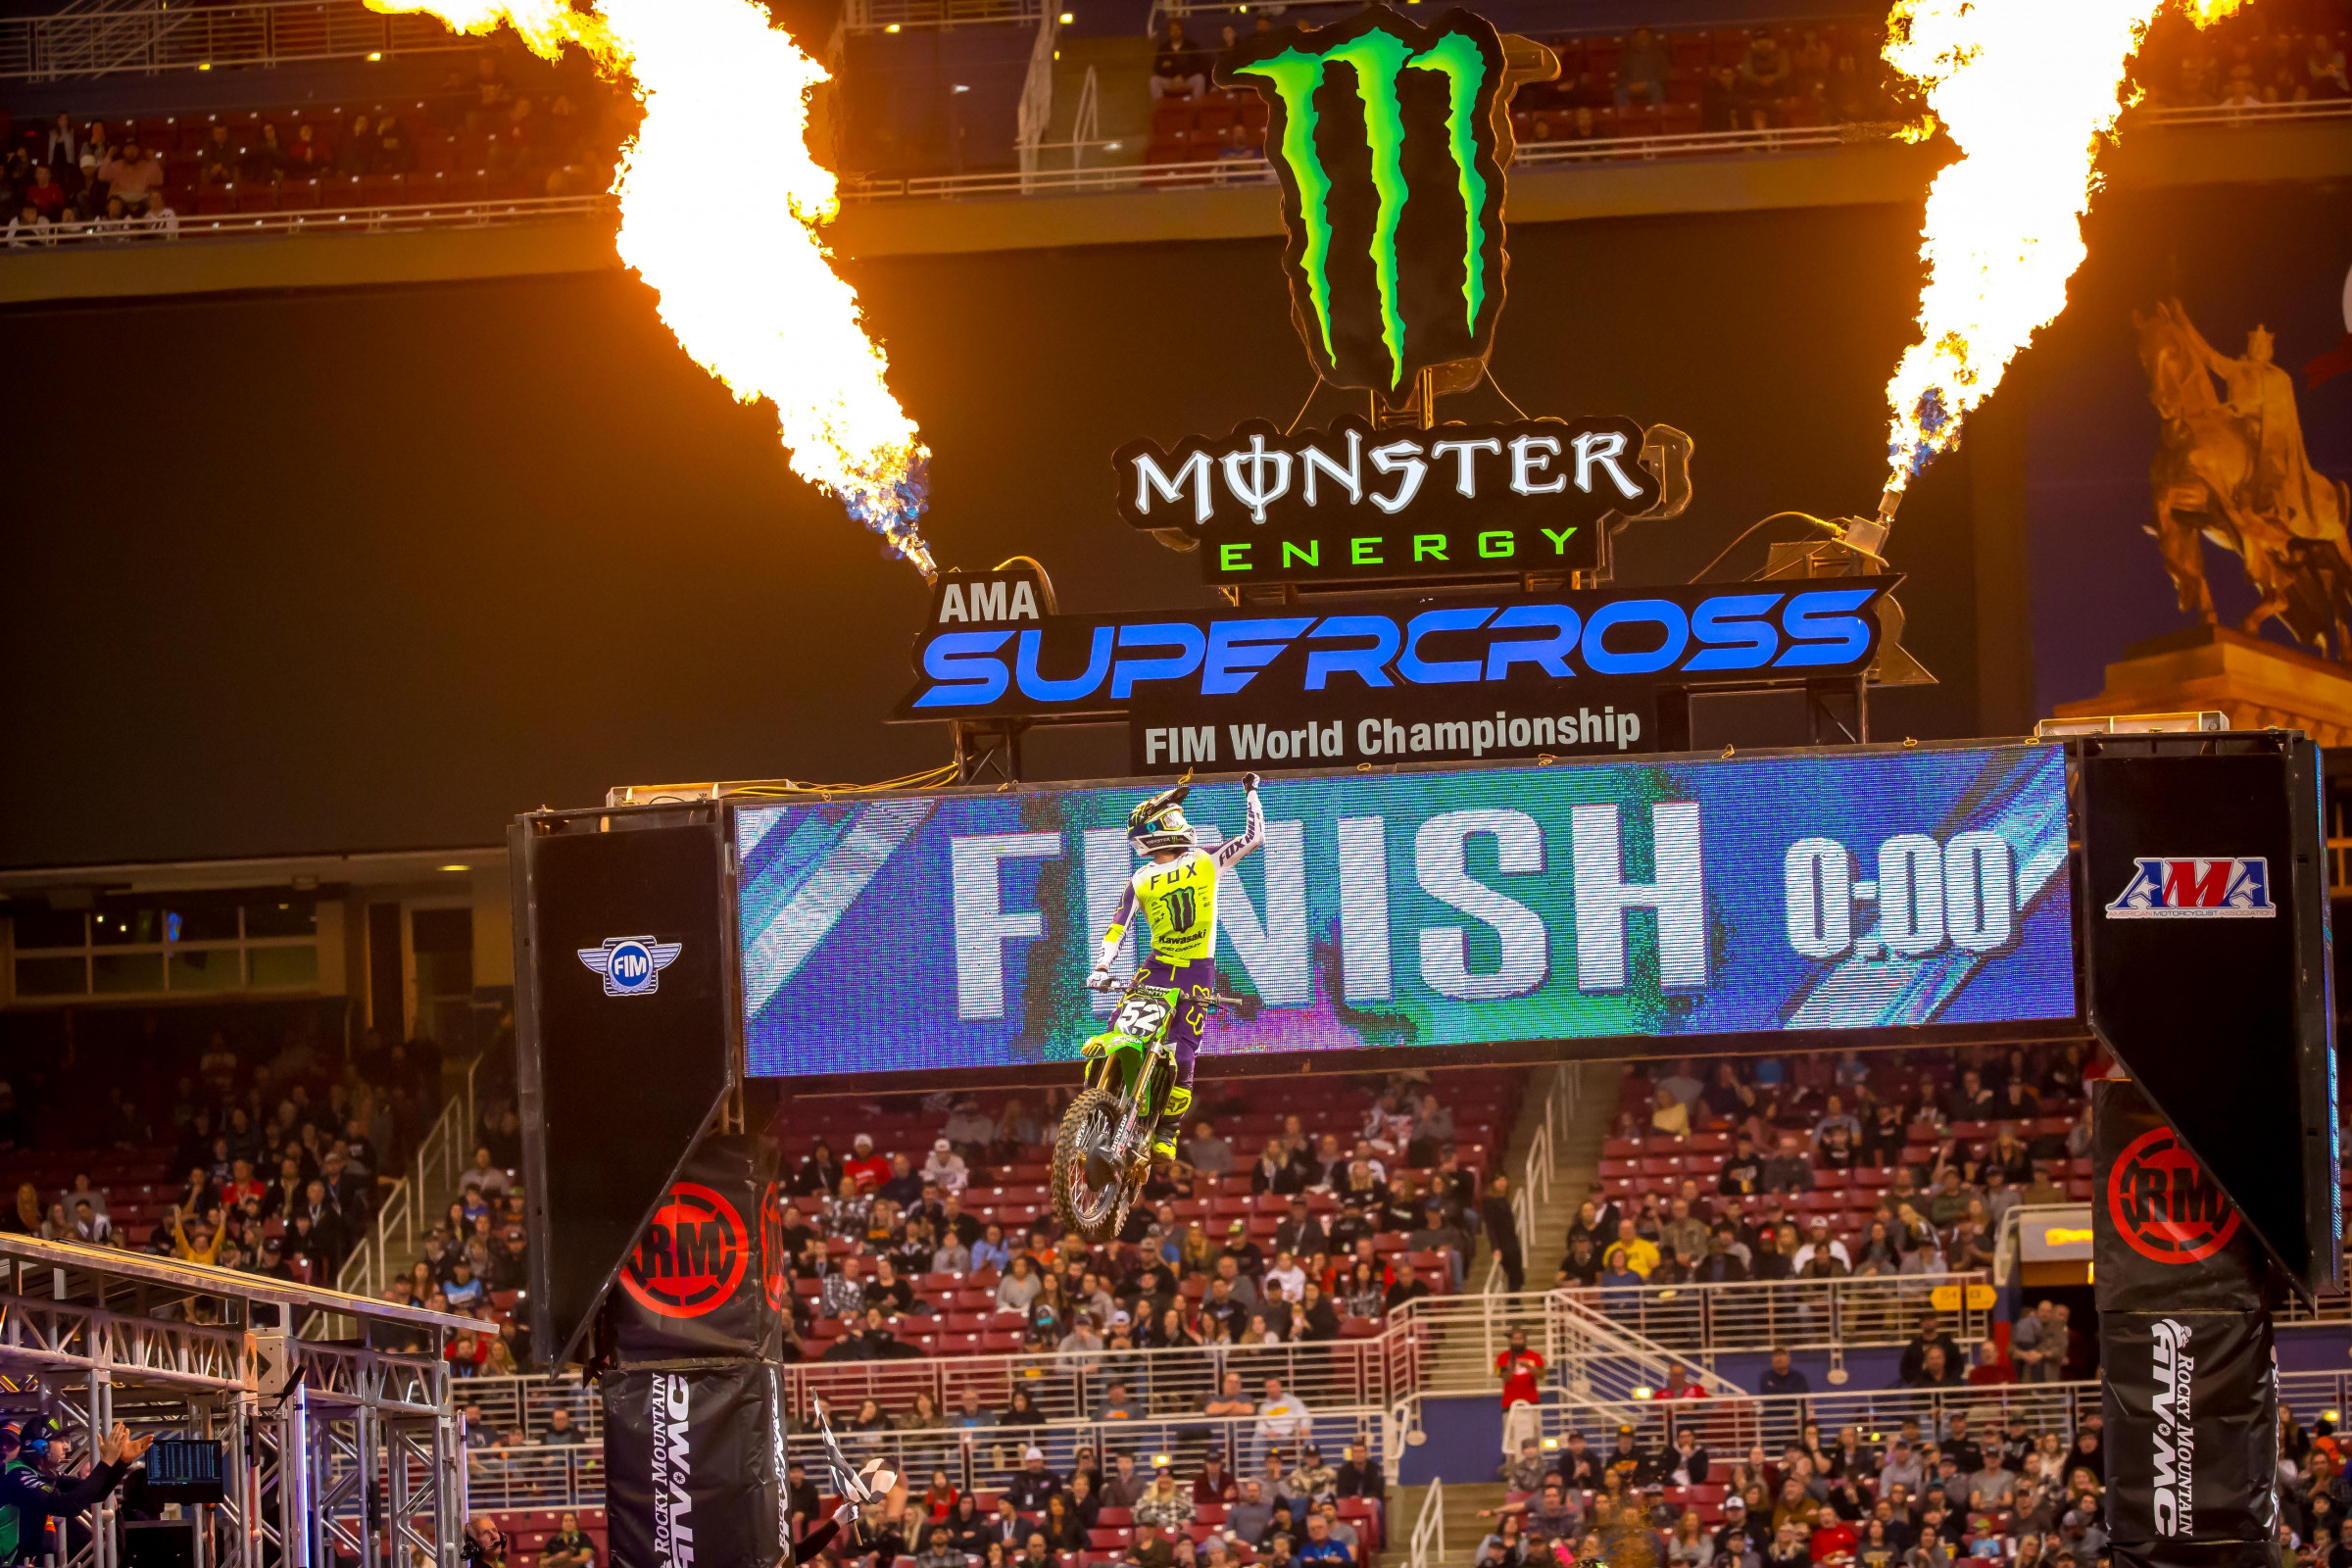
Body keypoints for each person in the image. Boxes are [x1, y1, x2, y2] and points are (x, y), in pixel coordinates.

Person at [1086, 774, 1265, 1161]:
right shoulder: (1141, 878)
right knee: (1115, 1032)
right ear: (1158, 829)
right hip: (1156, 967)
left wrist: (1251, 792)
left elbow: (1254, 838)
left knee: (1182, 1053)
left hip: (1195, 972)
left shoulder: (1204, 859)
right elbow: (1118, 926)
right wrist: (1102, 965)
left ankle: (1167, 1129)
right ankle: (1095, 1109)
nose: (1182, 822)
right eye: (1174, 816)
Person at [0, 1419, 153, 1564]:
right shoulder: (16, 1475)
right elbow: (69, 1505)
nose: (66, 1446)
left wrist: (121, 1463)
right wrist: (106, 1462)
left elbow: (95, 1493)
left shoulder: (42, 1474)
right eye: (60, 1440)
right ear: (41, 1447)